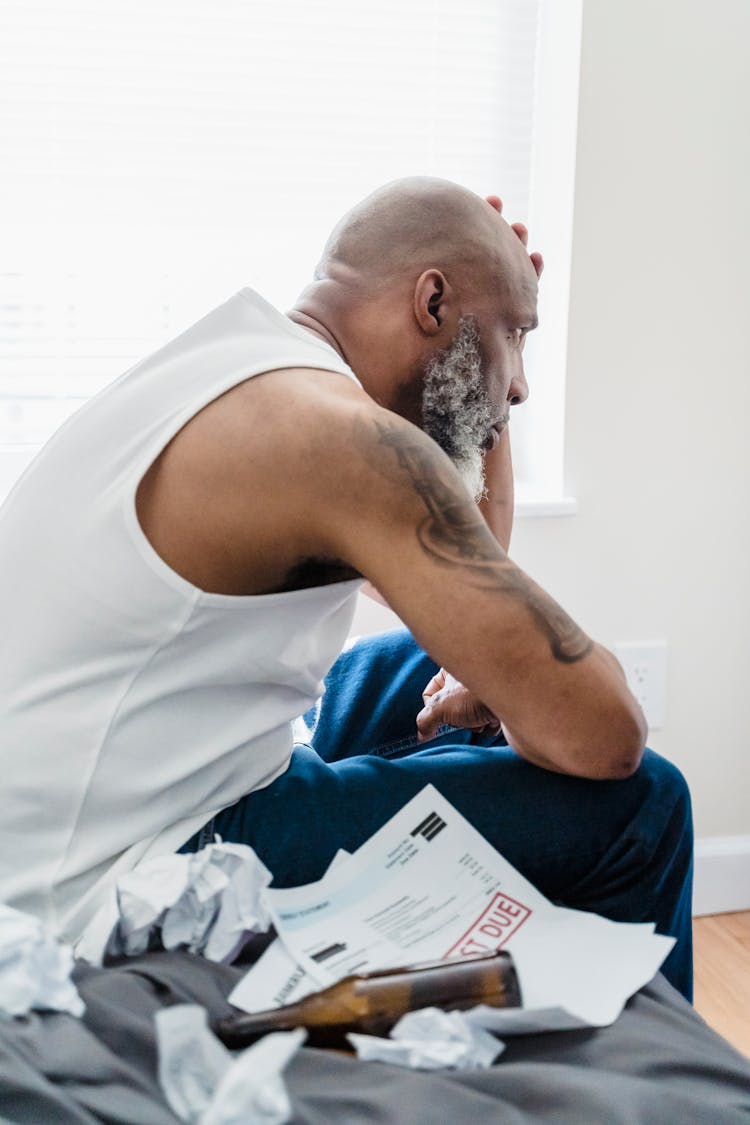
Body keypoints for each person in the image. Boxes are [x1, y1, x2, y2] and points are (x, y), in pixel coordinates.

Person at [0, 178, 693, 999]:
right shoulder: (341, 444)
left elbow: (472, 606)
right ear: (431, 301)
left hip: (118, 800)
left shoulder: (244, 368)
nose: (521, 387)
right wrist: (487, 345)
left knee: (415, 668)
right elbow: (608, 733)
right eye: (518, 335)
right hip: (117, 880)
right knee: (647, 802)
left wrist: (488, 336)